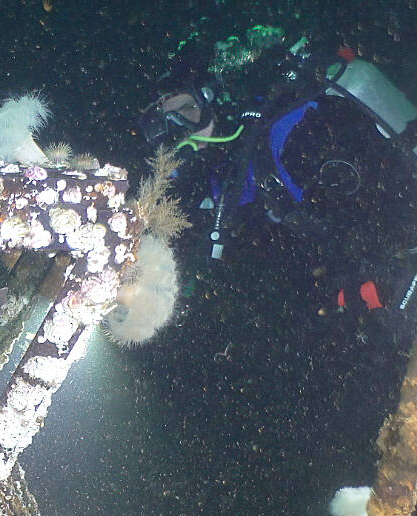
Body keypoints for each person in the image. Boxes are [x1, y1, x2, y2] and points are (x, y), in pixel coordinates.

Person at [137, 26, 417, 317]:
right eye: (167, 127)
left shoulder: (294, 131)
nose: (184, 134)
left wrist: (386, 276)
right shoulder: (240, 163)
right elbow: (203, 213)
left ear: (218, 97)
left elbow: (386, 197)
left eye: (188, 110)